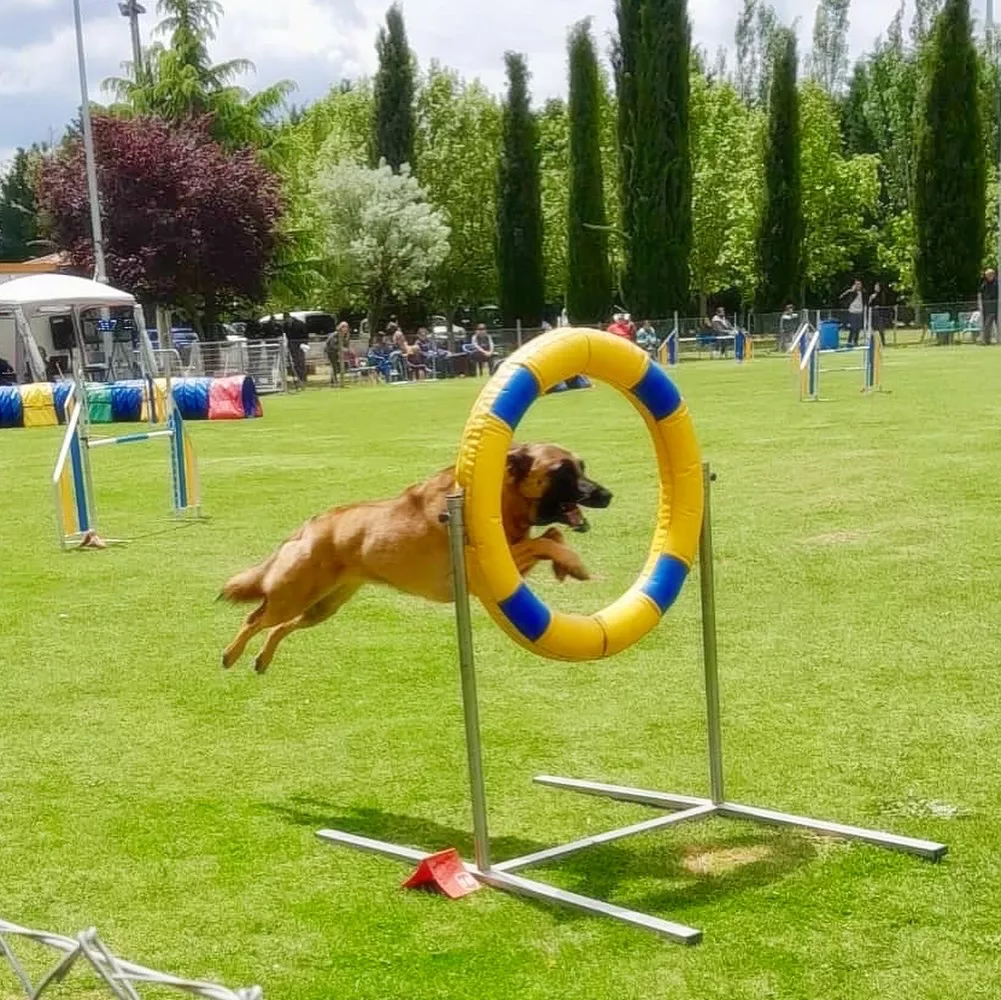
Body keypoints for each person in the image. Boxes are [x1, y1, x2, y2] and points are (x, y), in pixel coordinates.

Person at [840, 279, 865, 347]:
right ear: (854, 285)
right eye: (857, 284)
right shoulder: (850, 292)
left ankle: (855, 342)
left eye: (859, 284)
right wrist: (851, 291)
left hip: (860, 311)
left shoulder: (862, 292)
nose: (858, 286)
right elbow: (841, 297)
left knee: (858, 328)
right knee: (853, 327)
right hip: (852, 311)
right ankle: (849, 341)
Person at [979, 268, 998, 345]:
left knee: (999, 324)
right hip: (987, 308)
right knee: (987, 325)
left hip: (997, 308)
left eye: (990, 275)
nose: (988, 276)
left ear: (993, 275)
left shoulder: (997, 284)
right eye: (987, 275)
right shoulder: (984, 285)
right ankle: (986, 341)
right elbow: (982, 295)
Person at [868, 283, 888, 347]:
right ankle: (874, 342)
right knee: (873, 329)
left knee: (880, 329)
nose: (876, 288)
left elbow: (883, 303)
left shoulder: (882, 294)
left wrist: (878, 306)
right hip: (873, 314)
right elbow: (869, 304)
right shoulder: (872, 295)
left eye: (877, 287)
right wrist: (871, 299)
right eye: (875, 287)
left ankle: (882, 342)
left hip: (880, 314)